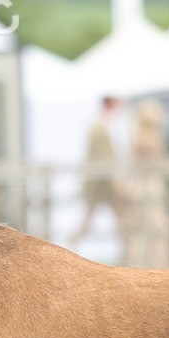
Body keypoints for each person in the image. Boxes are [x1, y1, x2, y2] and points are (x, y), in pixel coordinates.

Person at [71, 94, 132, 257]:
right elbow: (103, 158)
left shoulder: (101, 126)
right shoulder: (99, 127)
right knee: (118, 220)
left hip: (102, 183)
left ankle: (129, 254)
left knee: (118, 221)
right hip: (102, 184)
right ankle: (129, 255)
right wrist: (116, 182)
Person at [126, 100, 169, 267]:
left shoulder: (139, 138)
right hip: (148, 188)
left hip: (145, 187)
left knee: (146, 230)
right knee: (156, 229)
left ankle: (151, 264)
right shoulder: (147, 140)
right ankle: (157, 265)